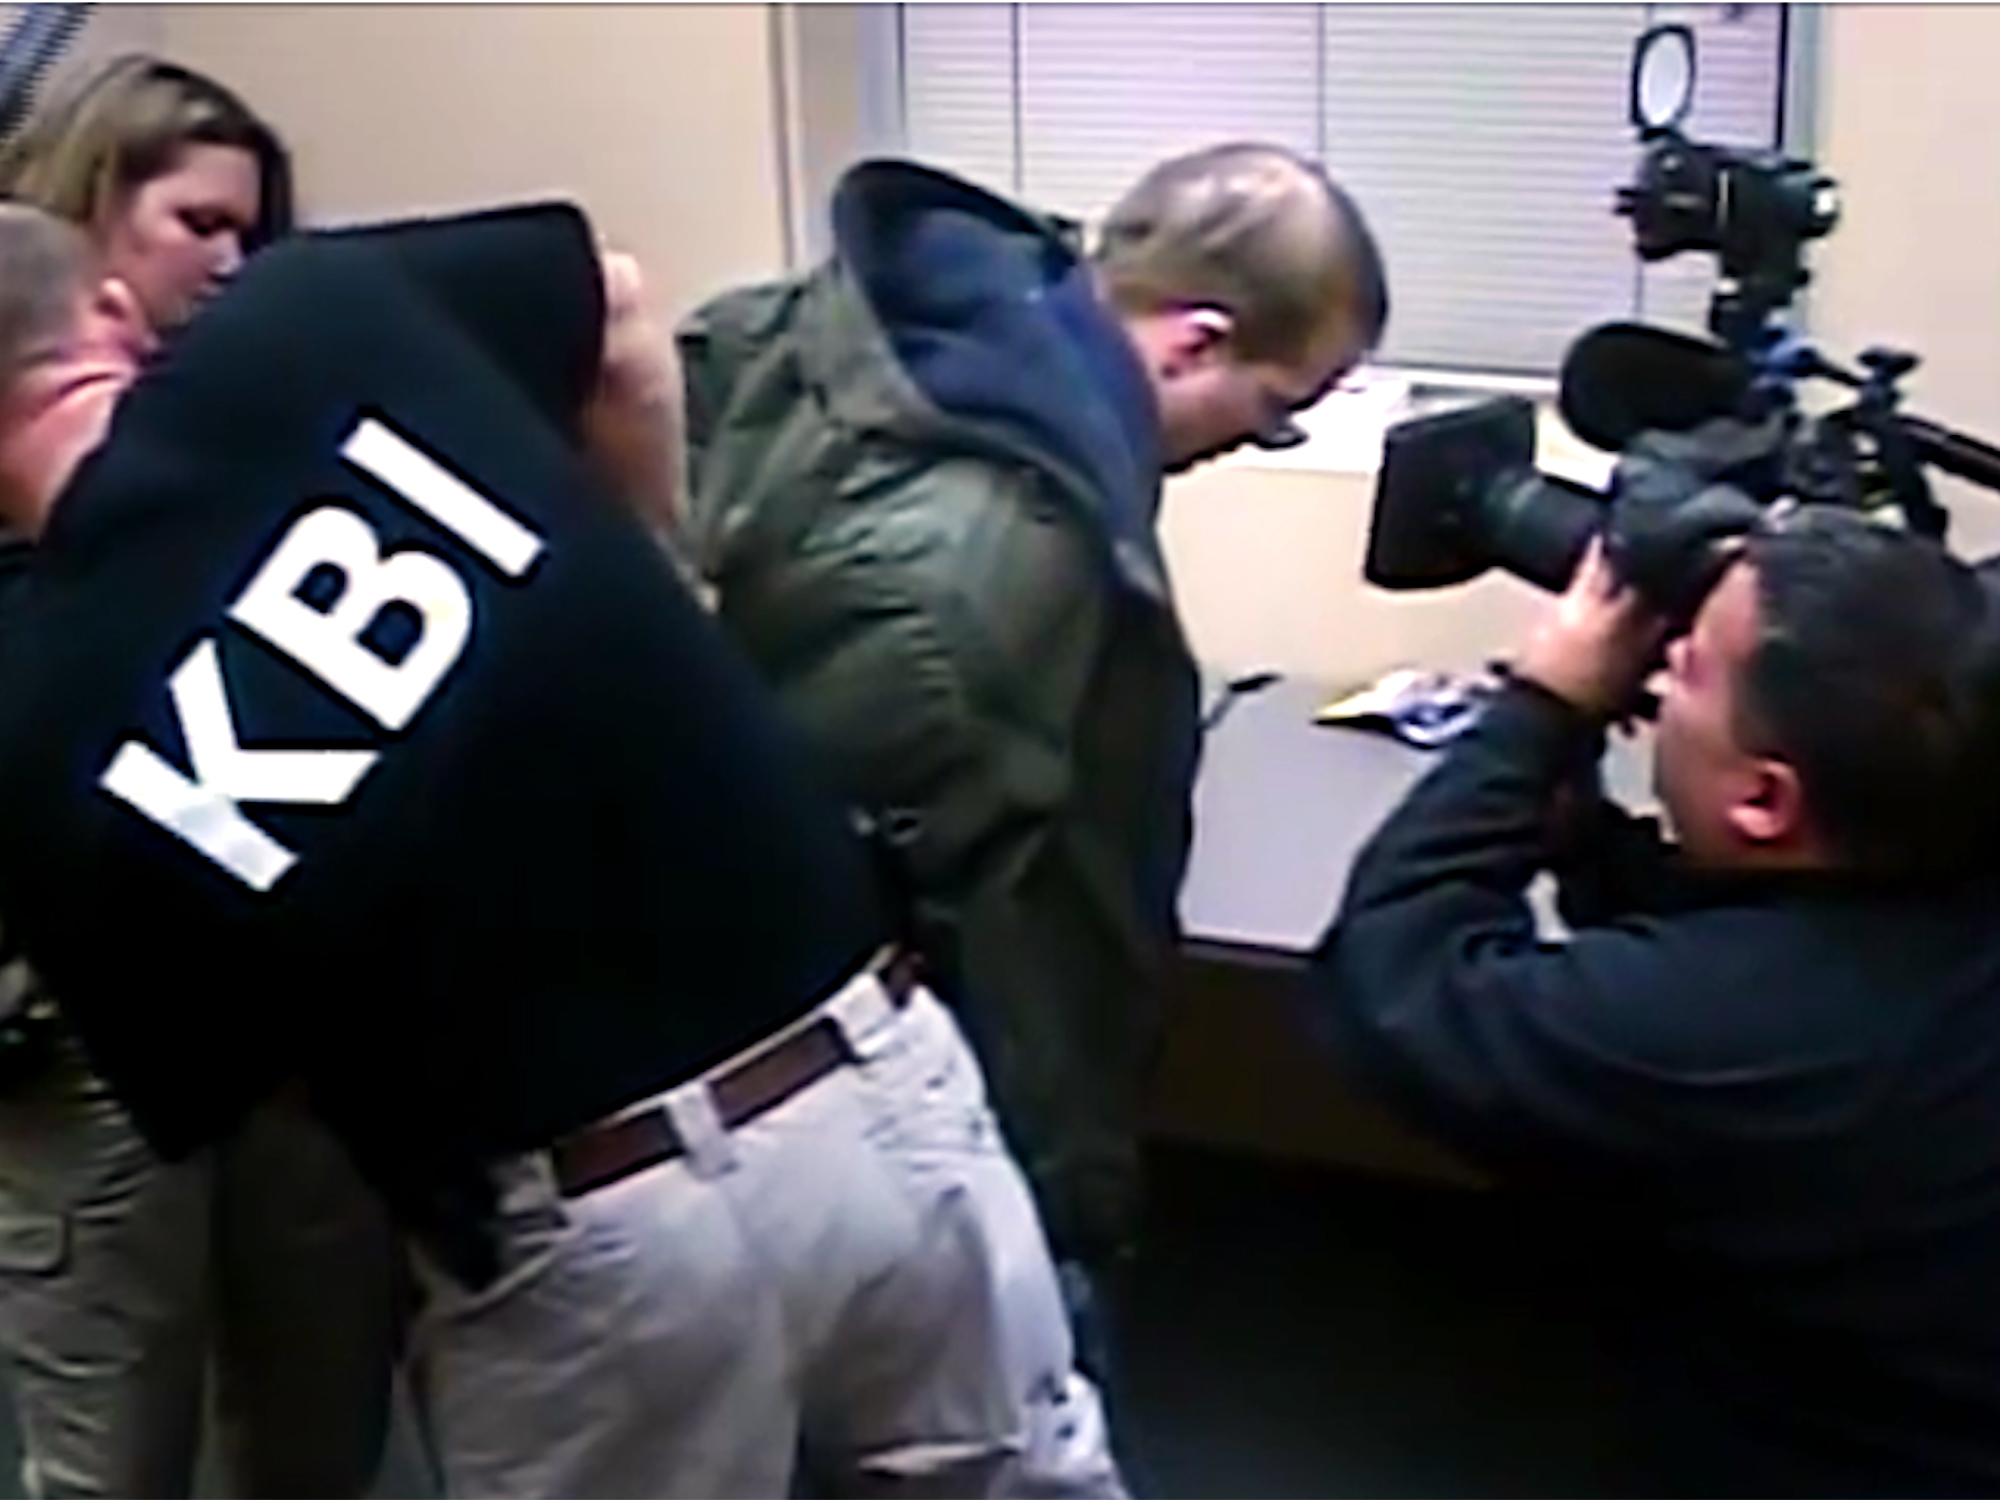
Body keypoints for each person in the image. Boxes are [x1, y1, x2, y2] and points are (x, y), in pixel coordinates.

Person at [0, 197, 1123, 1499]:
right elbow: (618, 308)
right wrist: (668, 582)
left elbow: (241, 1085)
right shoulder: (308, 320)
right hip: (880, 1071)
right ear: (115, 311)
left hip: (598, 1228)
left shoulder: (35, 734)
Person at [674, 141, 1389, 1398]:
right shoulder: (989, 563)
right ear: (1193, 344)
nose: (1256, 442)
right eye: (1278, 412)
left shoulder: (919, 334)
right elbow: (838, 909)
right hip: (909, 1135)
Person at [1314, 503, 2000, 1494]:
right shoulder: (1938, 881)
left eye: (1683, 668)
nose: (1657, 666)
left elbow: (1393, 984)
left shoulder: (1710, 1031)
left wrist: (1541, 708)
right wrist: (1590, 840)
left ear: (1764, 801)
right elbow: (1786, 937)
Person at [0, 56, 400, 1499]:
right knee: (110, 1458)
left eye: (253, 233)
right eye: (198, 224)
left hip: (290, 1023)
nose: (235, 263)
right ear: (97, 223)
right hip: (87, 1043)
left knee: (315, 1430)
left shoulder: (277, 421)